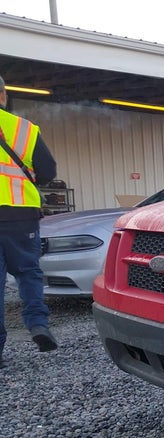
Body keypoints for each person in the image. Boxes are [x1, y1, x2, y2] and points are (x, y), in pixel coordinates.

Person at [0, 74, 59, 368]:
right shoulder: (24, 129)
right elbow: (47, 171)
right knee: (28, 273)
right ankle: (38, 325)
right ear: (3, 96)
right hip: (20, 215)